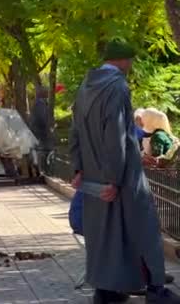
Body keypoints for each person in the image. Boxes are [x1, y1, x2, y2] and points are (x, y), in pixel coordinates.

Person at [70, 40, 180, 303]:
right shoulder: (117, 86)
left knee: (105, 234)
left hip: (94, 176)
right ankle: (155, 290)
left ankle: (108, 289)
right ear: (122, 60)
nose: (131, 65)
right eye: (130, 60)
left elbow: (76, 131)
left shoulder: (85, 87)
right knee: (144, 229)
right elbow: (116, 136)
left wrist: (77, 168)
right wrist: (114, 179)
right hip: (122, 177)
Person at [31, 86, 53, 174]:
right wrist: (48, 127)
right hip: (40, 131)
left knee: (42, 150)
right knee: (43, 150)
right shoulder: (40, 104)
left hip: (38, 130)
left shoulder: (39, 103)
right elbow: (42, 117)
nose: (48, 93)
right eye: (46, 92)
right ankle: (43, 169)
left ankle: (41, 168)